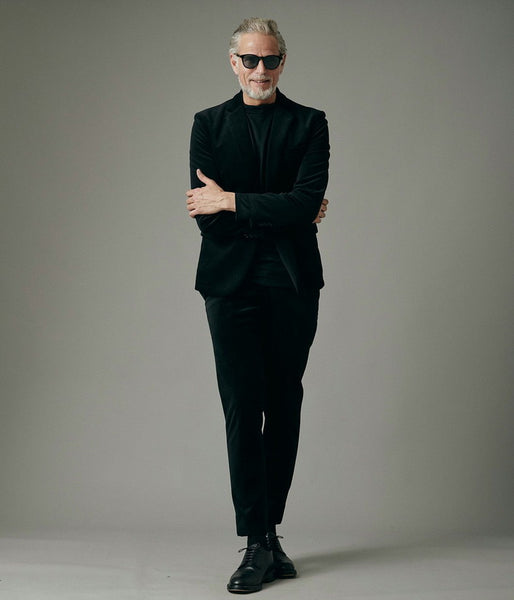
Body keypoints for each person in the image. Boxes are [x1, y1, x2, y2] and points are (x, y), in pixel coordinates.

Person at [186, 17, 329, 594]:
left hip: (292, 283)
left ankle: (269, 536)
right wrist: (281, 209)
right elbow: (206, 214)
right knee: (243, 407)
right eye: (250, 60)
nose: (260, 70)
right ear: (234, 63)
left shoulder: (309, 123)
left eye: (270, 60)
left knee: (284, 402)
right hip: (230, 284)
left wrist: (234, 201)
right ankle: (257, 542)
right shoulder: (208, 124)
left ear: (282, 63)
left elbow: (306, 201)